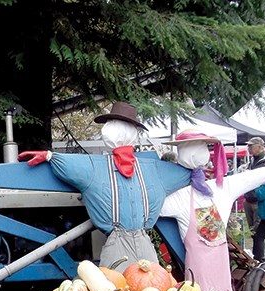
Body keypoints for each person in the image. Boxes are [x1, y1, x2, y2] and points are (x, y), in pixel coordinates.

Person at [18, 102, 191, 269]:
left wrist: (195, 171)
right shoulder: (95, 167)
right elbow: (71, 165)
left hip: (144, 243)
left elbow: (183, 174)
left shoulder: (152, 169)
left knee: (151, 289)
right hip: (116, 246)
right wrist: (50, 156)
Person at [159, 128, 265, 291]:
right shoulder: (223, 187)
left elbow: (152, 207)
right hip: (212, 266)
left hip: (200, 271)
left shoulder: (179, 196)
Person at [242, 136, 265, 235]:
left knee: (259, 232)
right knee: (251, 231)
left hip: (259, 200)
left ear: (259, 147)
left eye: (251, 146)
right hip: (248, 198)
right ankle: (257, 250)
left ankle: (263, 251)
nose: (248, 148)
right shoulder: (251, 161)